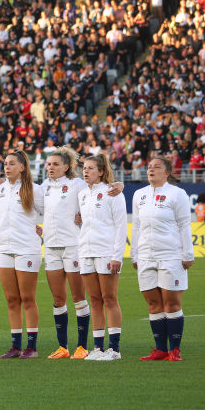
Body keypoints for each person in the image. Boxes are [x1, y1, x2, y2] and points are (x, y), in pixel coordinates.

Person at [40, 147, 101, 359]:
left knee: (78, 298)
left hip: (73, 246)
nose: (50, 168)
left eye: (55, 164)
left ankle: (82, 346)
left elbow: (97, 193)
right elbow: (27, 199)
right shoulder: (44, 187)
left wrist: (118, 186)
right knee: (58, 299)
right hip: (51, 247)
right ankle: (63, 347)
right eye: (49, 164)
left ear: (66, 167)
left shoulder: (77, 185)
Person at [132, 155, 194, 361]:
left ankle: (174, 350)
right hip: (146, 256)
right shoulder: (139, 195)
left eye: (156, 167)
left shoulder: (178, 194)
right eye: (149, 166)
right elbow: (137, 226)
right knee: (153, 304)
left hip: (170, 255)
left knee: (172, 303)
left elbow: (185, 224)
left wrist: (187, 254)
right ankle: (160, 349)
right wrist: (135, 254)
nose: (151, 169)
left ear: (166, 172)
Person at [0, 150, 44, 358]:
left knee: (27, 297)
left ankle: (31, 347)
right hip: (5, 248)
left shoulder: (35, 189)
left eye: (12, 163)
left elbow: (48, 214)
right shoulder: (2, 189)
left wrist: (44, 230)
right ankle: (16, 346)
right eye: (5, 163)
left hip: (26, 248)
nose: (7, 167)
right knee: (11, 299)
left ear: (23, 167)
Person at [78, 154, 127, 360]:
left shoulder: (112, 192)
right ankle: (98, 348)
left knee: (109, 299)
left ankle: (114, 349)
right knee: (95, 300)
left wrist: (117, 256)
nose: (85, 171)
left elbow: (121, 225)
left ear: (101, 171)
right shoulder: (82, 194)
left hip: (106, 252)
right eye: (84, 168)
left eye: (90, 168)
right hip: (86, 252)